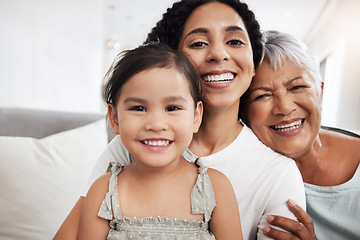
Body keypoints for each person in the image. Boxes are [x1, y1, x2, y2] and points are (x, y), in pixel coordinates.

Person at [53, 1, 306, 239]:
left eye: (234, 41)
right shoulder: (130, 149)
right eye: (198, 43)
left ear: (253, 64)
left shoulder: (277, 174)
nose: (218, 53)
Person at [77, 42, 243, 239]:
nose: (156, 124)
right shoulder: (104, 191)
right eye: (138, 108)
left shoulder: (215, 187)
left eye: (172, 108)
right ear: (114, 119)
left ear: (196, 117)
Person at [241, 30, 360, 240]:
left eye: (297, 87)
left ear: (320, 92)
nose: (285, 108)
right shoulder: (241, 180)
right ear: (244, 114)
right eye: (262, 96)